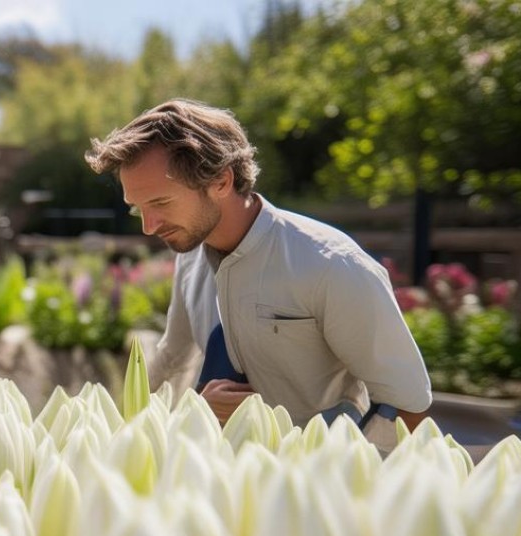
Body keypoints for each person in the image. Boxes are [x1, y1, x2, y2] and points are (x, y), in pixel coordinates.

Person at [85, 99, 431, 433]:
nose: (149, 227)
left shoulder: (332, 265)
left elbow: (406, 404)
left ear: (221, 181)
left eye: (161, 202)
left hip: (319, 468)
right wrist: (174, 418)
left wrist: (346, 465)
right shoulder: (189, 257)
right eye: (137, 208)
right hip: (216, 466)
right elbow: (173, 361)